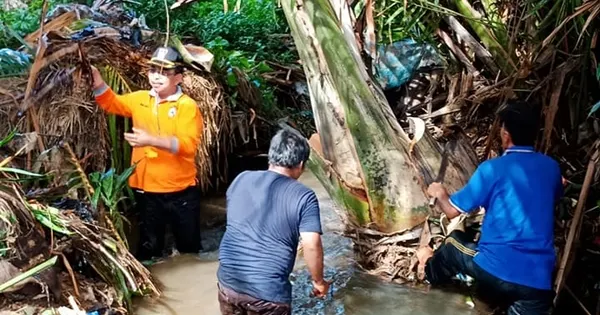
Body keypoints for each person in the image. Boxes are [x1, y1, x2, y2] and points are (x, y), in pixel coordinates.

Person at [417, 102, 562, 315]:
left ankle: (427, 267)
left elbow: (452, 212)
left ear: (505, 135)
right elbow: (556, 196)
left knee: (452, 244)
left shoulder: (492, 169)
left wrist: (440, 193)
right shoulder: (552, 168)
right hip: (537, 286)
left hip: (497, 268)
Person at [91, 46, 204, 262]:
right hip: (147, 191)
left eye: (164, 72)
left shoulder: (186, 106)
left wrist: (150, 140)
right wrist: (97, 82)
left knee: (190, 249)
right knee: (149, 250)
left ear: (178, 77)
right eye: (153, 70)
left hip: (181, 191)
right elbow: (111, 103)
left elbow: (188, 146)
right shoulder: (140, 99)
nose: (157, 77)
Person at [217, 128, 329, 315]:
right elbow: (311, 244)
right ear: (301, 164)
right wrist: (318, 282)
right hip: (267, 297)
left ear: (270, 157)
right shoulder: (304, 196)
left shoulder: (241, 179)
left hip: (228, 285)